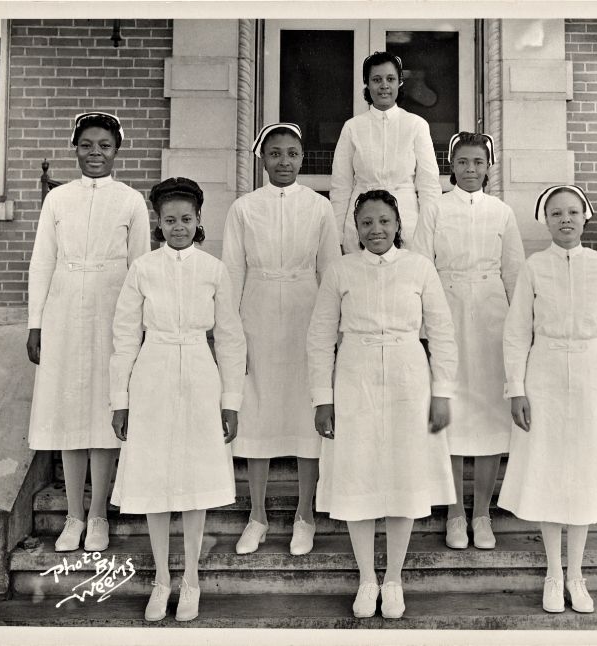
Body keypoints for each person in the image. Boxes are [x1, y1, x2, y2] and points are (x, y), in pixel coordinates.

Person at [307, 190, 458, 620]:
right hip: (355, 377)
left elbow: (442, 332)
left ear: (398, 225)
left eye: (384, 221)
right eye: (367, 222)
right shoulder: (341, 270)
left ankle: (393, 578)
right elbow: (320, 337)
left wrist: (442, 392)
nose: (376, 230)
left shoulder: (419, 267)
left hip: (409, 376)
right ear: (356, 228)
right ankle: (366, 577)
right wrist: (323, 398)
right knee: (358, 475)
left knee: (402, 475)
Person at [110, 177, 246, 622]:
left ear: (198, 219)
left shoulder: (214, 269)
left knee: (193, 479)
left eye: (186, 218)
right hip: (153, 374)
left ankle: (190, 578)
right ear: (159, 222)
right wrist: (120, 399)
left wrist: (231, 400)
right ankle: (161, 578)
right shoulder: (143, 269)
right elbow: (124, 337)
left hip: (201, 376)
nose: (178, 227)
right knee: (154, 480)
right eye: (170, 220)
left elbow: (230, 338)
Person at [497, 185, 597, 614]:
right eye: (556, 213)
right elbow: (516, 332)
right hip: (545, 375)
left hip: (591, 376)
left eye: (573, 212)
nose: (565, 220)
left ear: (585, 217)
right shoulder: (534, 268)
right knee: (549, 473)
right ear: (546, 220)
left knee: (583, 476)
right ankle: (553, 574)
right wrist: (516, 388)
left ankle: (576, 574)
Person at [26, 111, 150, 553]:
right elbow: (42, 261)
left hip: (112, 309)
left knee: (104, 409)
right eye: (87, 145)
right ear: (75, 148)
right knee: (70, 412)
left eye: (104, 146)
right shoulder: (57, 200)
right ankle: (73, 515)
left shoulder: (131, 201)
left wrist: (140, 329)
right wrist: (35, 323)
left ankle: (98, 514)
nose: (95, 153)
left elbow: (141, 268)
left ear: (117, 151)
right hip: (64, 310)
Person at [222, 123, 341, 556]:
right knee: (258, 413)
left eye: (292, 153)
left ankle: (304, 515)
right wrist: (231, 336)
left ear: (302, 157)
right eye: (275, 153)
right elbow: (231, 275)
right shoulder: (243, 208)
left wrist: (334, 333)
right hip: (257, 315)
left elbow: (331, 271)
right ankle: (257, 515)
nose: (284, 161)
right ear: (262, 159)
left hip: (306, 314)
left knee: (306, 415)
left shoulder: (319, 207)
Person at [413, 131, 524, 551]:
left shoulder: (502, 212)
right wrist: (423, 330)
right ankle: (456, 513)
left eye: (478, 162)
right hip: (448, 311)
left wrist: (520, 332)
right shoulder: (435, 209)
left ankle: (482, 513)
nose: (471, 169)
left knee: (489, 416)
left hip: (492, 318)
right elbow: (420, 269)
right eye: (463, 162)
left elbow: (514, 273)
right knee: (453, 411)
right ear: (451, 166)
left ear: (488, 167)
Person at [330, 51, 441, 253]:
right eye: (376, 79)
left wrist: (429, 234)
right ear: (367, 83)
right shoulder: (352, 127)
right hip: (361, 221)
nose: (384, 85)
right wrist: (337, 235)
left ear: (399, 82)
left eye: (390, 79)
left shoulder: (416, 125)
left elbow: (429, 187)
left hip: (407, 222)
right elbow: (341, 187)